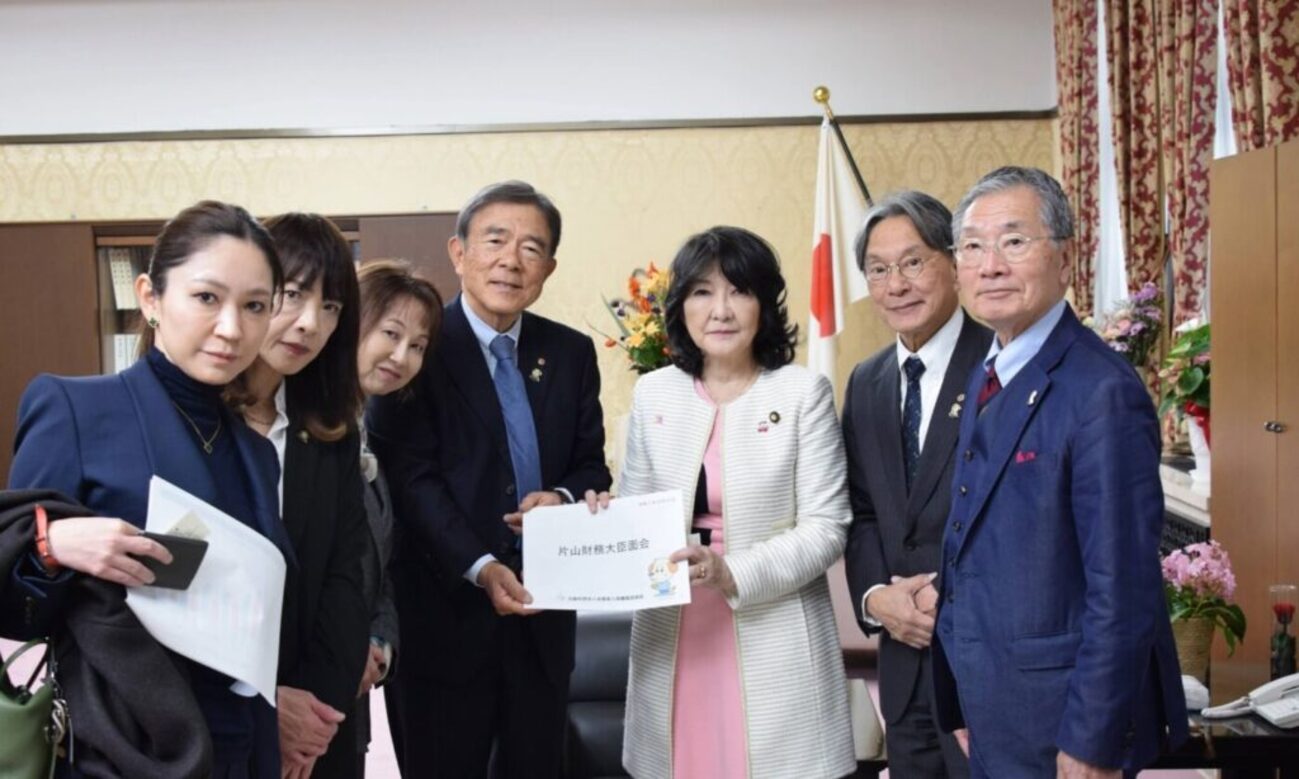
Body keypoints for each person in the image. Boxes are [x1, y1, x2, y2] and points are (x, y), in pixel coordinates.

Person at [3, 200, 292, 777]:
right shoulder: (76, 407)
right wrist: (52, 546)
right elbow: (15, 608)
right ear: (150, 297)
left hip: (241, 747)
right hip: (121, 748)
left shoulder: (256, 453)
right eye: (206, 297)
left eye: (254, 306)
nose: (231, 328)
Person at [931, 166, 1188, 777]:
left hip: (1063, 723)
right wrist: (962, 692)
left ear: (1066, 259)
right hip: (993, 703)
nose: (990, 265)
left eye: (1014, 242)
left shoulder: (1101, 390)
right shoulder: (990, 369)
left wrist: (1093, 740)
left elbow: (1123, 587)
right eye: (973, 246)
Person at [366, 180, 611, 778]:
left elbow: (591, 465)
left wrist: (563, 496)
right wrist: (480, 565)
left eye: (532, 248)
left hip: (544, 620)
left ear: (548, 268)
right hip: (443, 620)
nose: (511, 260)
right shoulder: (417, 346)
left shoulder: (571, 353)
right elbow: (411, 478)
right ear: (459, 253)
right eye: (495, 241)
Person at [611, 226, 858, 779]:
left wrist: (731, 572)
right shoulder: (655, 392)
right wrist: (603, 519)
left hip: (772, 618)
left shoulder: (802, 392)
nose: (720, 310)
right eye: (702, 292)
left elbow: (826, 526)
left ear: (763, 305)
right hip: (674, 626)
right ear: (681, 306)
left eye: (739, 291)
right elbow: (636, 511)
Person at [842, 191, 989, 778]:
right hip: (902, 668)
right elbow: (861, 510)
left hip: (983, 665)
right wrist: (875, 596)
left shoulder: (1001, 364)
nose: (896, 284)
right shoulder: (867, 381)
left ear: (952, 262)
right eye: (878, 270)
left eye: (912, 262)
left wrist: (941, 596)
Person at [233, 213, 370, 779]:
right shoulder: (192, 422)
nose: (311, 323)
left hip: (315, 725)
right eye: (293, 295)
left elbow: (347, 579)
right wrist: (266, 708)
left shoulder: (332, 430)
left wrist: (313, 714)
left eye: (331, 306)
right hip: (212, 718)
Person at [352, 259, 443, 775]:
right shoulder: (291, 429)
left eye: (418, 346)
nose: (402, 356)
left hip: (350, 693)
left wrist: (378, 644)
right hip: (291, 693)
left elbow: (379, 563)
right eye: (391, 333)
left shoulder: (363, 430)